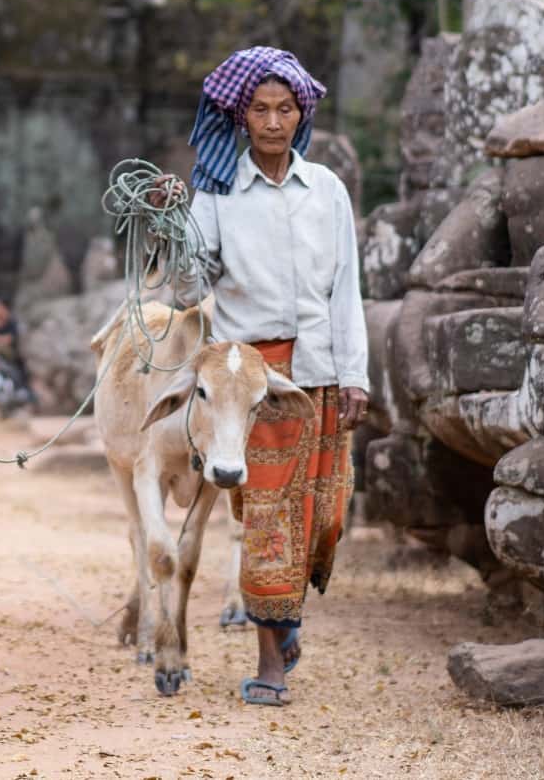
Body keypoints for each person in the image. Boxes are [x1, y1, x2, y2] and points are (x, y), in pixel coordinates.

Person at [180, 46, 369, 707]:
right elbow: (186, 284)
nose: (272, 121)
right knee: (267, 516)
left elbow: (348, 289)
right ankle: (271, 662)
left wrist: (357, 376)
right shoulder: (216, 193)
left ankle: (285, 616)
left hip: (319, 371)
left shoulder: (329, 192)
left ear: (301, 113)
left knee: (323, 518)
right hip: (250, 380)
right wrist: (168, 222)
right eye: (259, 109)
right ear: (239, 115)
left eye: (284, 108)